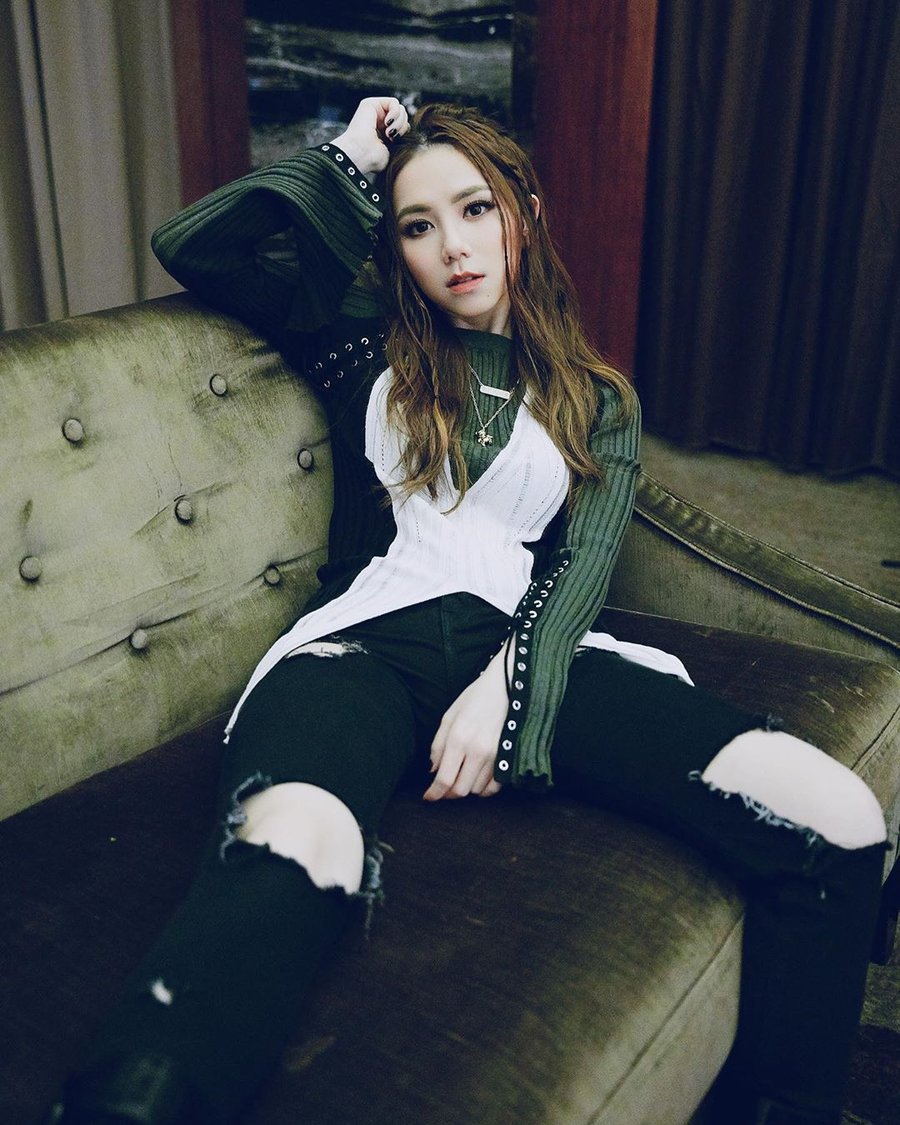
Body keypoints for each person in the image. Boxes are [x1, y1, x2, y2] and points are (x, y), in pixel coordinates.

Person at [49, 96, 887, 1125]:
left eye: (475, 209)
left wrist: (508, 687)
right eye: (418, 224)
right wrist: (349, 156)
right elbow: (193, 244)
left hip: (519, 647)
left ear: (522, 213)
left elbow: (581, 568)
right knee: (303, 841)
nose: (452, 245)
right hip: (354, 652)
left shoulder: (598, 401)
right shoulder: (358, 341)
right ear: (394, 248)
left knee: (838, 816)